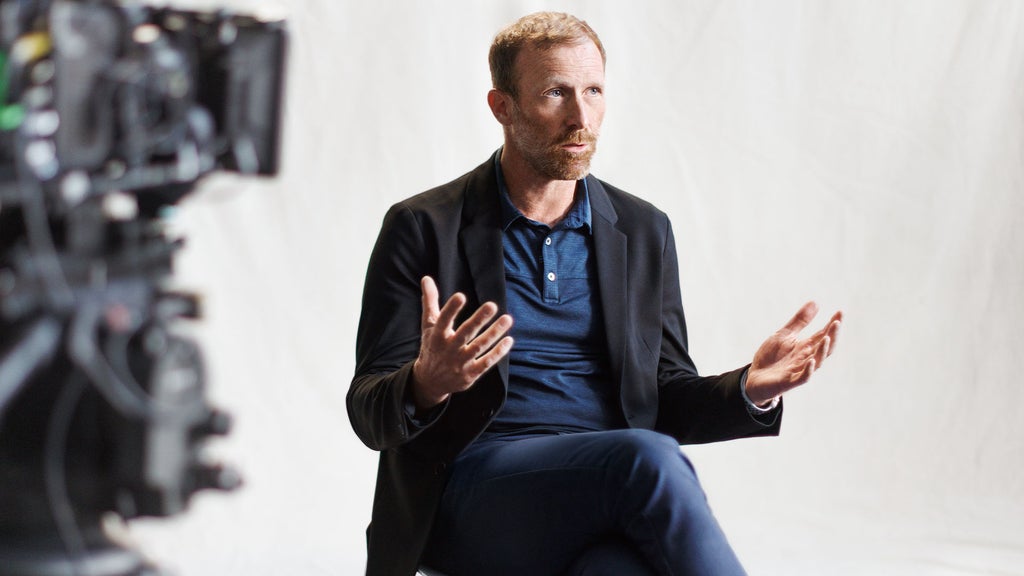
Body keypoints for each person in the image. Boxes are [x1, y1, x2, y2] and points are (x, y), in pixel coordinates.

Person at [348, 11, 842, 576]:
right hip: (473, 495)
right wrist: (425, 384)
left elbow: (664, 394)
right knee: (647, 457)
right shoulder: (422, 226)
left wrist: (749, 389)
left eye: (594, 91)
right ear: (502, 107)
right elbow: (368, 411)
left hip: (603, 488)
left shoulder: (642, 229)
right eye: (555, 93)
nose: (580, 116)